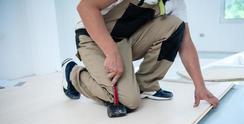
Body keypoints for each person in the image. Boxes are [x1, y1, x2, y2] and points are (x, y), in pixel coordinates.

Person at [62, 0, 219, 113]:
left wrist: (200, 85)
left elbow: (186, 43)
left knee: (176, 25)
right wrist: (111, 52)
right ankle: (73, 74)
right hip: (94, 38)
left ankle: (145, 85)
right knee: (129, 101)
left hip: (125, 39)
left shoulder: (177, 3)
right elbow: (85, 7)